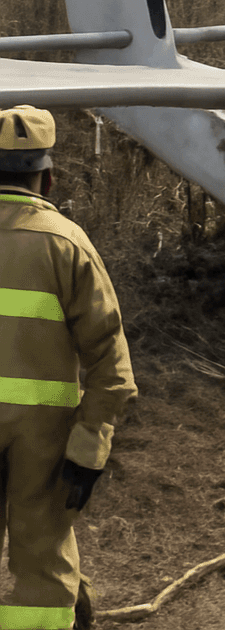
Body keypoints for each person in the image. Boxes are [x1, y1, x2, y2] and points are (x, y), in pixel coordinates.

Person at [0, 105, 137, 630]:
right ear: (48, 176)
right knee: (43, 566)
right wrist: (88, 448)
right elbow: (111, 365)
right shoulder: (67, 243)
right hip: (47, 444)